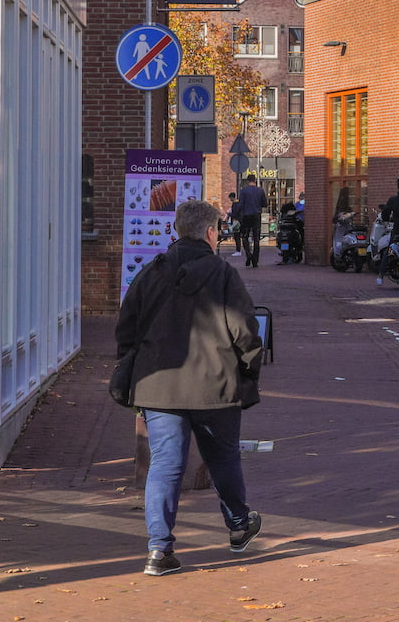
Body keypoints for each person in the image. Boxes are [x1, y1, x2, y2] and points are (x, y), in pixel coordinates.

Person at [114, 198, 263, 576]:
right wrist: (248, 371)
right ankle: (238, 526)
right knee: (223, 458)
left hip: (159, 387)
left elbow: (126, 328)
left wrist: (137, 365)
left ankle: (159, 550)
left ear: (177, 230)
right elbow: (245, 330)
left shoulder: (150, 272)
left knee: (165, 464)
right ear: (211, 232)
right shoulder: (223, 274)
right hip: (215, 385)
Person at [230, 179, 265, 267]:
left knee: (245, 236)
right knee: (256, 238)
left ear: (248, 181)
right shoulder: (260, 191)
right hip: (256, 215)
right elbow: (265, 203)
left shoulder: (243, 191)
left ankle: (248, 254)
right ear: (255, 181)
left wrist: (236, 214)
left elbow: (240, 204)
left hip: (246, 216)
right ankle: (255, 261)